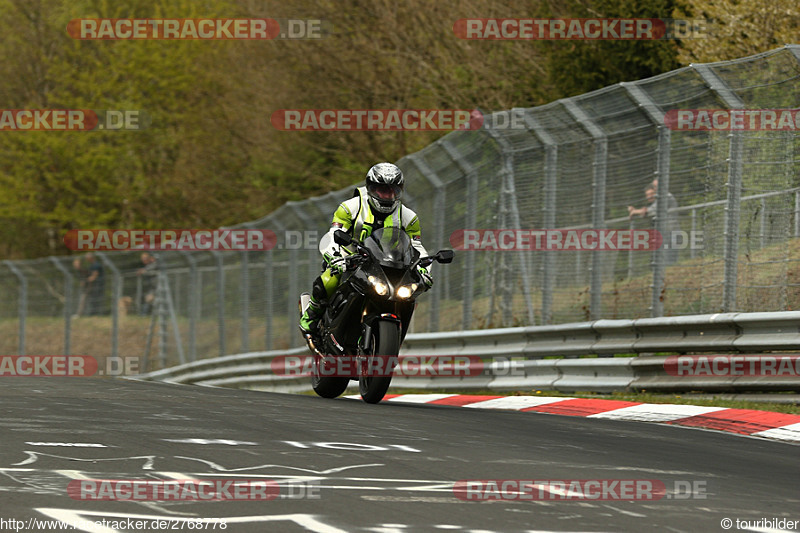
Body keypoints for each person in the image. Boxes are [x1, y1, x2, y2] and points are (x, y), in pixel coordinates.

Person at [299, 162, 432, 337]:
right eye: (381, 190)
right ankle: (311, 315)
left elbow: (416, 247)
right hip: (350, 256)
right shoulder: (350, 207)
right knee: (329, 280)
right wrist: (334, 256)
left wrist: (425, 269)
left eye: (392, 191)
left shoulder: (409, 217)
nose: (386, 195)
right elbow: (333, 234)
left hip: (387, 262)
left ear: (399, 191)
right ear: (370, 188)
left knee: (409, 292)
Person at [628, 179, 680, 264]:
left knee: (670, 259)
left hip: (670, 231)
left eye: (656, 186)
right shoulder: (660, 198)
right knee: (661, 259)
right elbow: (649, 211)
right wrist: (640, 211)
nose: (655, 189)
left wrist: (635, 211)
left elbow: (653, 210)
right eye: (654, 186)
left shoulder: (666, 196)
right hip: (664, 232)